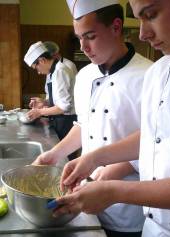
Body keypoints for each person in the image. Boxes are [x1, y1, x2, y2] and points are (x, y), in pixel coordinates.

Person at [50, 0, 170, 236]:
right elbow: (157, 136)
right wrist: (93, 158)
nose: (142, 34)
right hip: (153, 227)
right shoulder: (161, 70)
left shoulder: (145, 72)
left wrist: (114, 190)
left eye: (151, 14)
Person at [32, 1, 152, 236]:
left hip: (128, 206)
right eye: (79, 38)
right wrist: (54, 154)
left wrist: (110, 171)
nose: (84, 47)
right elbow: (85, 126)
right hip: (88, 196)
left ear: (116, 27)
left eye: (90, 36)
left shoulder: (149, 75)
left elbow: (155, 140)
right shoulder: (85, 75)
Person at [24, 42, 77, 153]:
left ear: (42, 60)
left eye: (36, 67)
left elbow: (63, 107)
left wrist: (39, 112)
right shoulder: (53, 72)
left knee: (66, 157)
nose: (38, 72)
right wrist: (44, 102)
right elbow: (59, 99)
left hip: (66, 121)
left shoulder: (60, 71)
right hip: (60, 119)